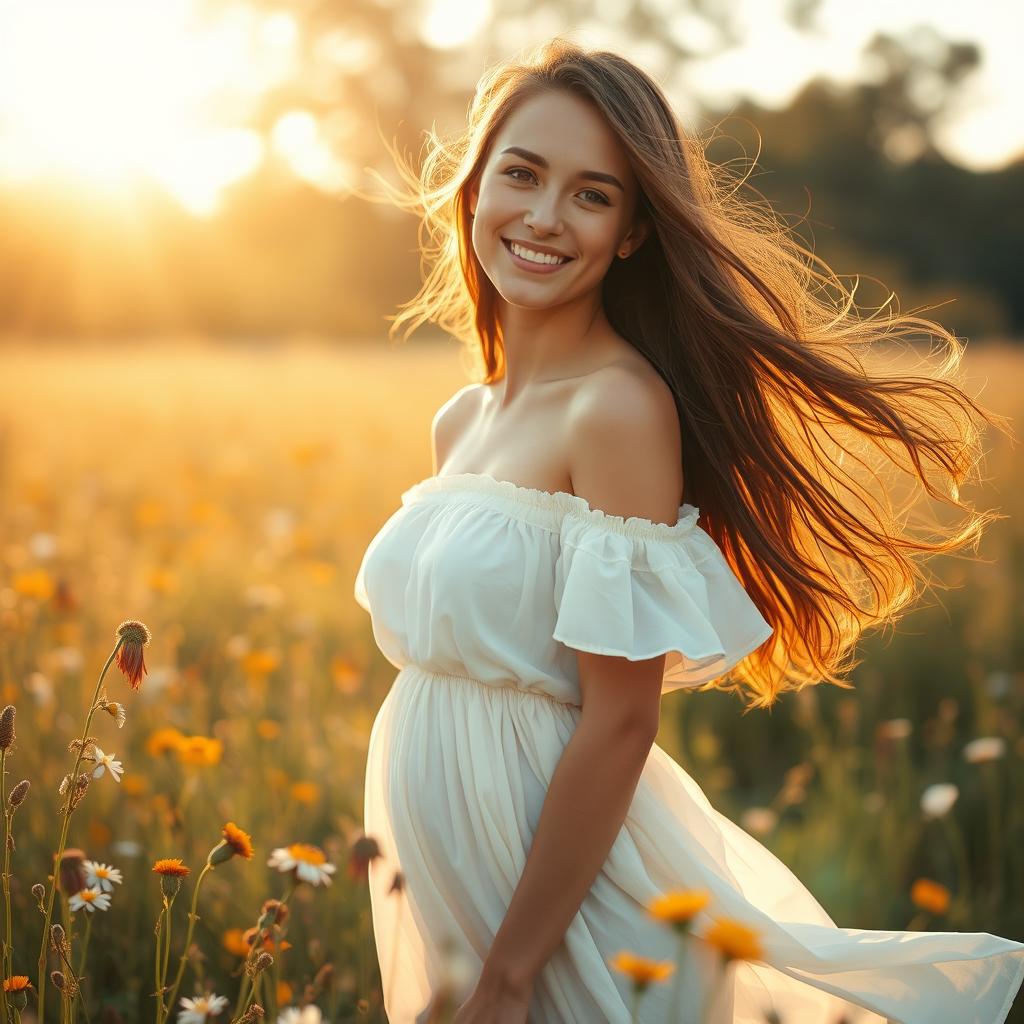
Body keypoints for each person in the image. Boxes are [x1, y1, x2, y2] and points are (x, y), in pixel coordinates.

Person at [352, 36, 1024, 1023]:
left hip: (543, 890)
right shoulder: (463, 418)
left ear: (631, 232)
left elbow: (620, 719)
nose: (543, 217)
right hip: (444, 860)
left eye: (591, 194)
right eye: (522, 174)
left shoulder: (617, 410)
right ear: (475, 187)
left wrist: (509, 971)